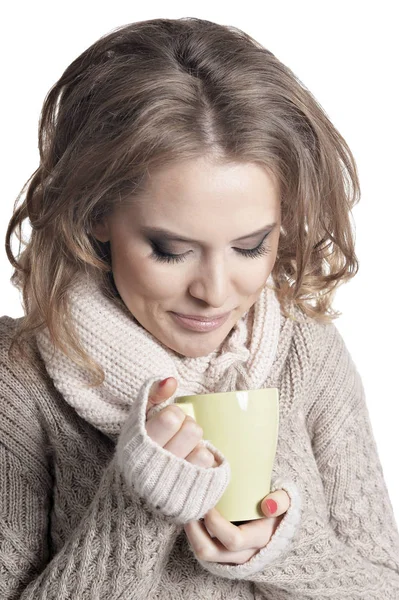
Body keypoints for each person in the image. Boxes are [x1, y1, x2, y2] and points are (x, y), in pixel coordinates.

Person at [1, 16, 398, 599]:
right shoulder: (19, 378)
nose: (214, 291)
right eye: (171, 250)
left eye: (250, 246)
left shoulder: (306, 352)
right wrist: (137, 504)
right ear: (94, 215)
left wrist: (283, 546)